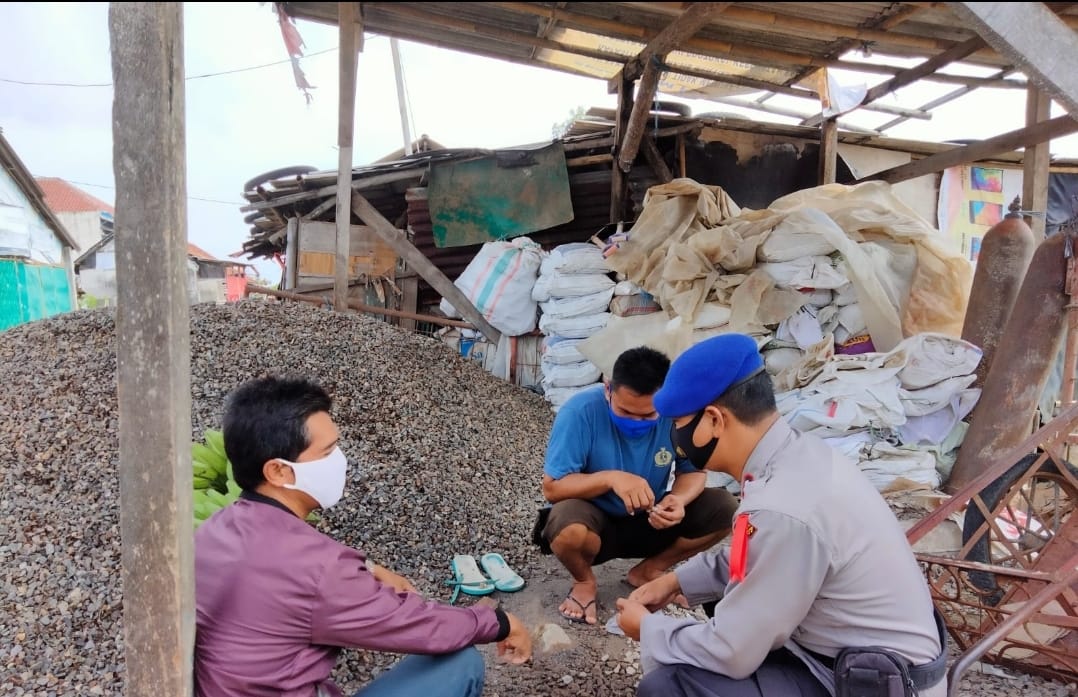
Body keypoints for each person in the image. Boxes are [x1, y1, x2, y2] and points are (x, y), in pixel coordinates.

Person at [614, 333, 946, 697]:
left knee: (669, 687)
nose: (675, 436)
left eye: (678, 423)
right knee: (722, 606)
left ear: (713, 420)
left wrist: (648, 630)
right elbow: (755, 556)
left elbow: (731, 652)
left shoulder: (783, 505)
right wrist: (676, 582)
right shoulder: (798, 456)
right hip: (857, 660)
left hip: (875, 683)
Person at [194, 375, 532, 697]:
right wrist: (500, 623)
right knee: (460, 664)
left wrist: (369, 569)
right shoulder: (318, 566)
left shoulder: (215, 529)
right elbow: (416, 625)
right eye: (327, 452)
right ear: (278, 471)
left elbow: (293, 579)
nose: (341, 461)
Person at [541, 346, 738, 625]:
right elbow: (552, 487)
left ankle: (648, 571)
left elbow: (693, 472)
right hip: (595, 523)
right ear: (608, 388)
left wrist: (678, 500)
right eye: (625, 412)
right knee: (566, 527)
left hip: (650, 519)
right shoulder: (580, 412)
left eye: (648, 416)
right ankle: (584, 581)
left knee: (725, 508)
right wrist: (611, 478)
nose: (636, 422)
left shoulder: (676, 415)